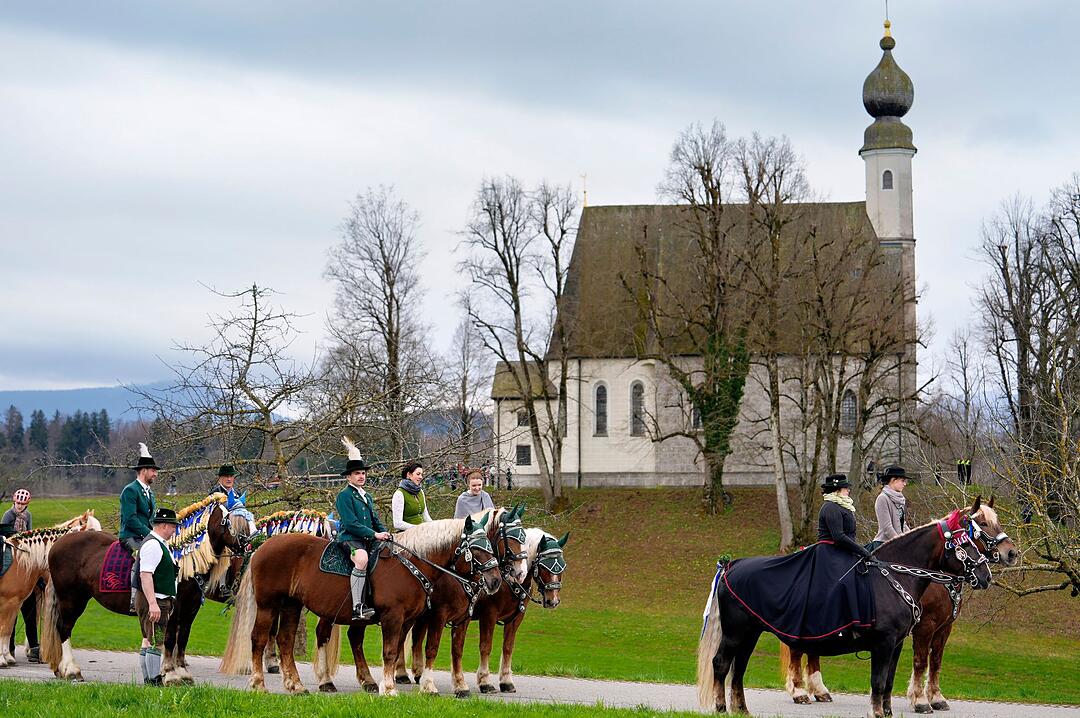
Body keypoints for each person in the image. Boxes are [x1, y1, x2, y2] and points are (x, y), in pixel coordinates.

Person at [334, 437, 391, 621]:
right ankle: (357, 607)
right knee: (361, 558)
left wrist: (385, 533)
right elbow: (351, 524)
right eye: (357, 473)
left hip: (367, 537)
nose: (361, 476)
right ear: (349, 477)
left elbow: (374, 519)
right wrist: (375, 534)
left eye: (363, 473)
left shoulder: (367, 496)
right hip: (349, 538)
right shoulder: (344, 496)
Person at [136, 507, 179, 686]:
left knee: (148, 640)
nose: (174, 530)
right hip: (156, 600)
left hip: (159, 599)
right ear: (163, 525)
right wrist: (153, 603)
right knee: (156, 641)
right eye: (172, 526)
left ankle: (150, 679)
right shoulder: (153, 545)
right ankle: (154, 681)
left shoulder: (159, 543)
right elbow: (145, 575)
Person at [3, 489, 41, 662]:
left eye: (22, 504)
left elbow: (30, 534)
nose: (19, 506)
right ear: (14, 502)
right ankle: (8, 647)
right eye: (18, 503)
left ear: (27, 504)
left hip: (25, 555)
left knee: (30, 610)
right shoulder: (8, 515)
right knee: (11, 612)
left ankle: (34, 646)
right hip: (11, 552)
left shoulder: (28, 516)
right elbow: (4, 535)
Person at [120, 443, 159, 614]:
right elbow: (130, 519)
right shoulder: (130, 490)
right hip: (130, 535)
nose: (155, 474)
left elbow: (151, 517)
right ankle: (133, 599)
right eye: (153, 471)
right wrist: (150, 534)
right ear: (144, 471)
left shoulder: (149, 492)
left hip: (145, 535)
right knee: (141, 556)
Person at [817, 473, 872, 559]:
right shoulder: (830, 507)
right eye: (845, 488)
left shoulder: (842, 506)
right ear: (836, 490)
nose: (848, 490)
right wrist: (862, 551)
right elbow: (839, 537)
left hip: (843, 551)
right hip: (831, 555)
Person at [868, 465, 910, 552]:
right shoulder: (882, 498)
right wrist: (901, 542)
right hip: (884, 545)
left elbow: (903, 524)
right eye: (902, 481)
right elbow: (887, 528)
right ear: (893, 480)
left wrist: (913, 538)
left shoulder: (900, 499)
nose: (904, 484)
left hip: (897, 543)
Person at [391, 460, 432, 531]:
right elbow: (397, 523)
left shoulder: (420, 492)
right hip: (407, 535)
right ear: (409, 475)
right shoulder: (399, 494)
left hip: (422, 533)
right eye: (418, 474)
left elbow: (426, 516)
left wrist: (436, 526)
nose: (421, 477)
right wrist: (417, 528)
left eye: (422, 474)